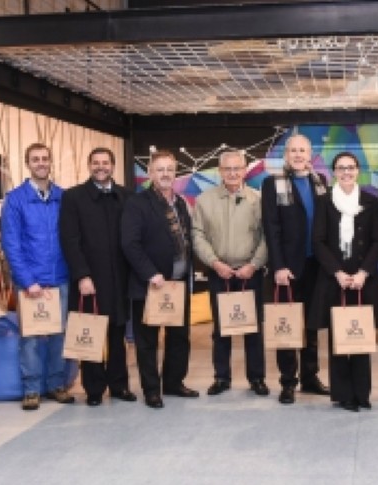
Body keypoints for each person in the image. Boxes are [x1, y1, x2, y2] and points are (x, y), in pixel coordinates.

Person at [310, 151, 378, 411]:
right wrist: (338, 273)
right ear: (334, 172)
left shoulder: (370, 201)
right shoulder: (324, 202)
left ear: (358, 171)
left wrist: (364, 272)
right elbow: (318, 241)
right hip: (336, 278)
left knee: (361, 336)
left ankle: (362, 394)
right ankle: (343, 395)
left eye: (351, 168)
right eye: (341, 168)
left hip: (363, 279)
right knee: (339, 337)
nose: (346, 172)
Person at [59, 148, 137, 406]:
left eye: (105, 163)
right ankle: (93, 388)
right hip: (90, 278)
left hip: (121, 277)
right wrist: (82, 275)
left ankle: (119, 386)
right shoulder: (74, 197)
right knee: (90, 332)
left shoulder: (127, 195)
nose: (101, 167)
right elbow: (70, 240)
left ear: (113, 166)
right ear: (89, 165)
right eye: (96, 163)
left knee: (117, 333)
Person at [121, 150, 199, 409]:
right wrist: (150, 273)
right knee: (147, 342)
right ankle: (152, 390)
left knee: (179, 338)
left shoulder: (180, 203)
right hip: (150, 285)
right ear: (151, 174)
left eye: (170, 169)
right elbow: (130, 244)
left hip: (177, 284)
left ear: (175, 173)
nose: (166, 174)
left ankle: (174, 383)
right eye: (160, 169)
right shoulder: (137, 203)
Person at [0, 143, 75, 410]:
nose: (41, 163)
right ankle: (31, 389)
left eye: (45, 158)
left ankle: (57, 385)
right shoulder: (15, 199)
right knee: (30, 339)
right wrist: (27, 280)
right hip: (30, 281)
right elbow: (11, 243)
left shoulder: (64, 197)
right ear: (27, 163)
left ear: (50, 162)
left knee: (59, 335)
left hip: (61, 279)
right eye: (35, 159)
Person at [261, 134, 331, 404]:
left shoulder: (320, 182)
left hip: (317, 265)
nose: (299, 155)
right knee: (288, 324)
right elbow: (272, 228)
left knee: (312, 324)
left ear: (310, 154)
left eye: (303, 150)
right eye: (294, 151)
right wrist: (278, 265)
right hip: (288, 268)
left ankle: (310, 377)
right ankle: (288, 381)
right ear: (286, 155)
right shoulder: (273, 184)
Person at [192, 150, 268, 397]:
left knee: (253, 329)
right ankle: (221, 378)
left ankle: (257, 378)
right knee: (221, 329)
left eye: (238, 168)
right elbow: (197, 235)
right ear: (220, 171)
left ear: (245, 170)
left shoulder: (258, 200)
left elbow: (268, 236)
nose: (233, 173)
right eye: (228, 169)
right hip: (219, 273)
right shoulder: (205, 200)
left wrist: (254, 264)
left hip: (250, 273)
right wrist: (214, 262)